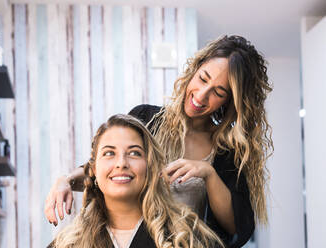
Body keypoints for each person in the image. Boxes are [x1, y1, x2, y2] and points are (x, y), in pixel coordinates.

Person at [45, 35, 273, 248]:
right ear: (194, 70)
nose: (202, 95)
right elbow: (110, 170)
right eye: (203, 79)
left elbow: (237, 226)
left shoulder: (226, 152)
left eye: (218, 92)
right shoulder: (147, 119)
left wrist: (208, 173)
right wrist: (65, 180)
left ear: (229, 100)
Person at [48, 114, 223, 248]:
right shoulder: (69, 243)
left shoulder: (190, 238)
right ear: (93, 170)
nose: (122, 163)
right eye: (109, 153)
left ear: (150, 167)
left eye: (134, 153)